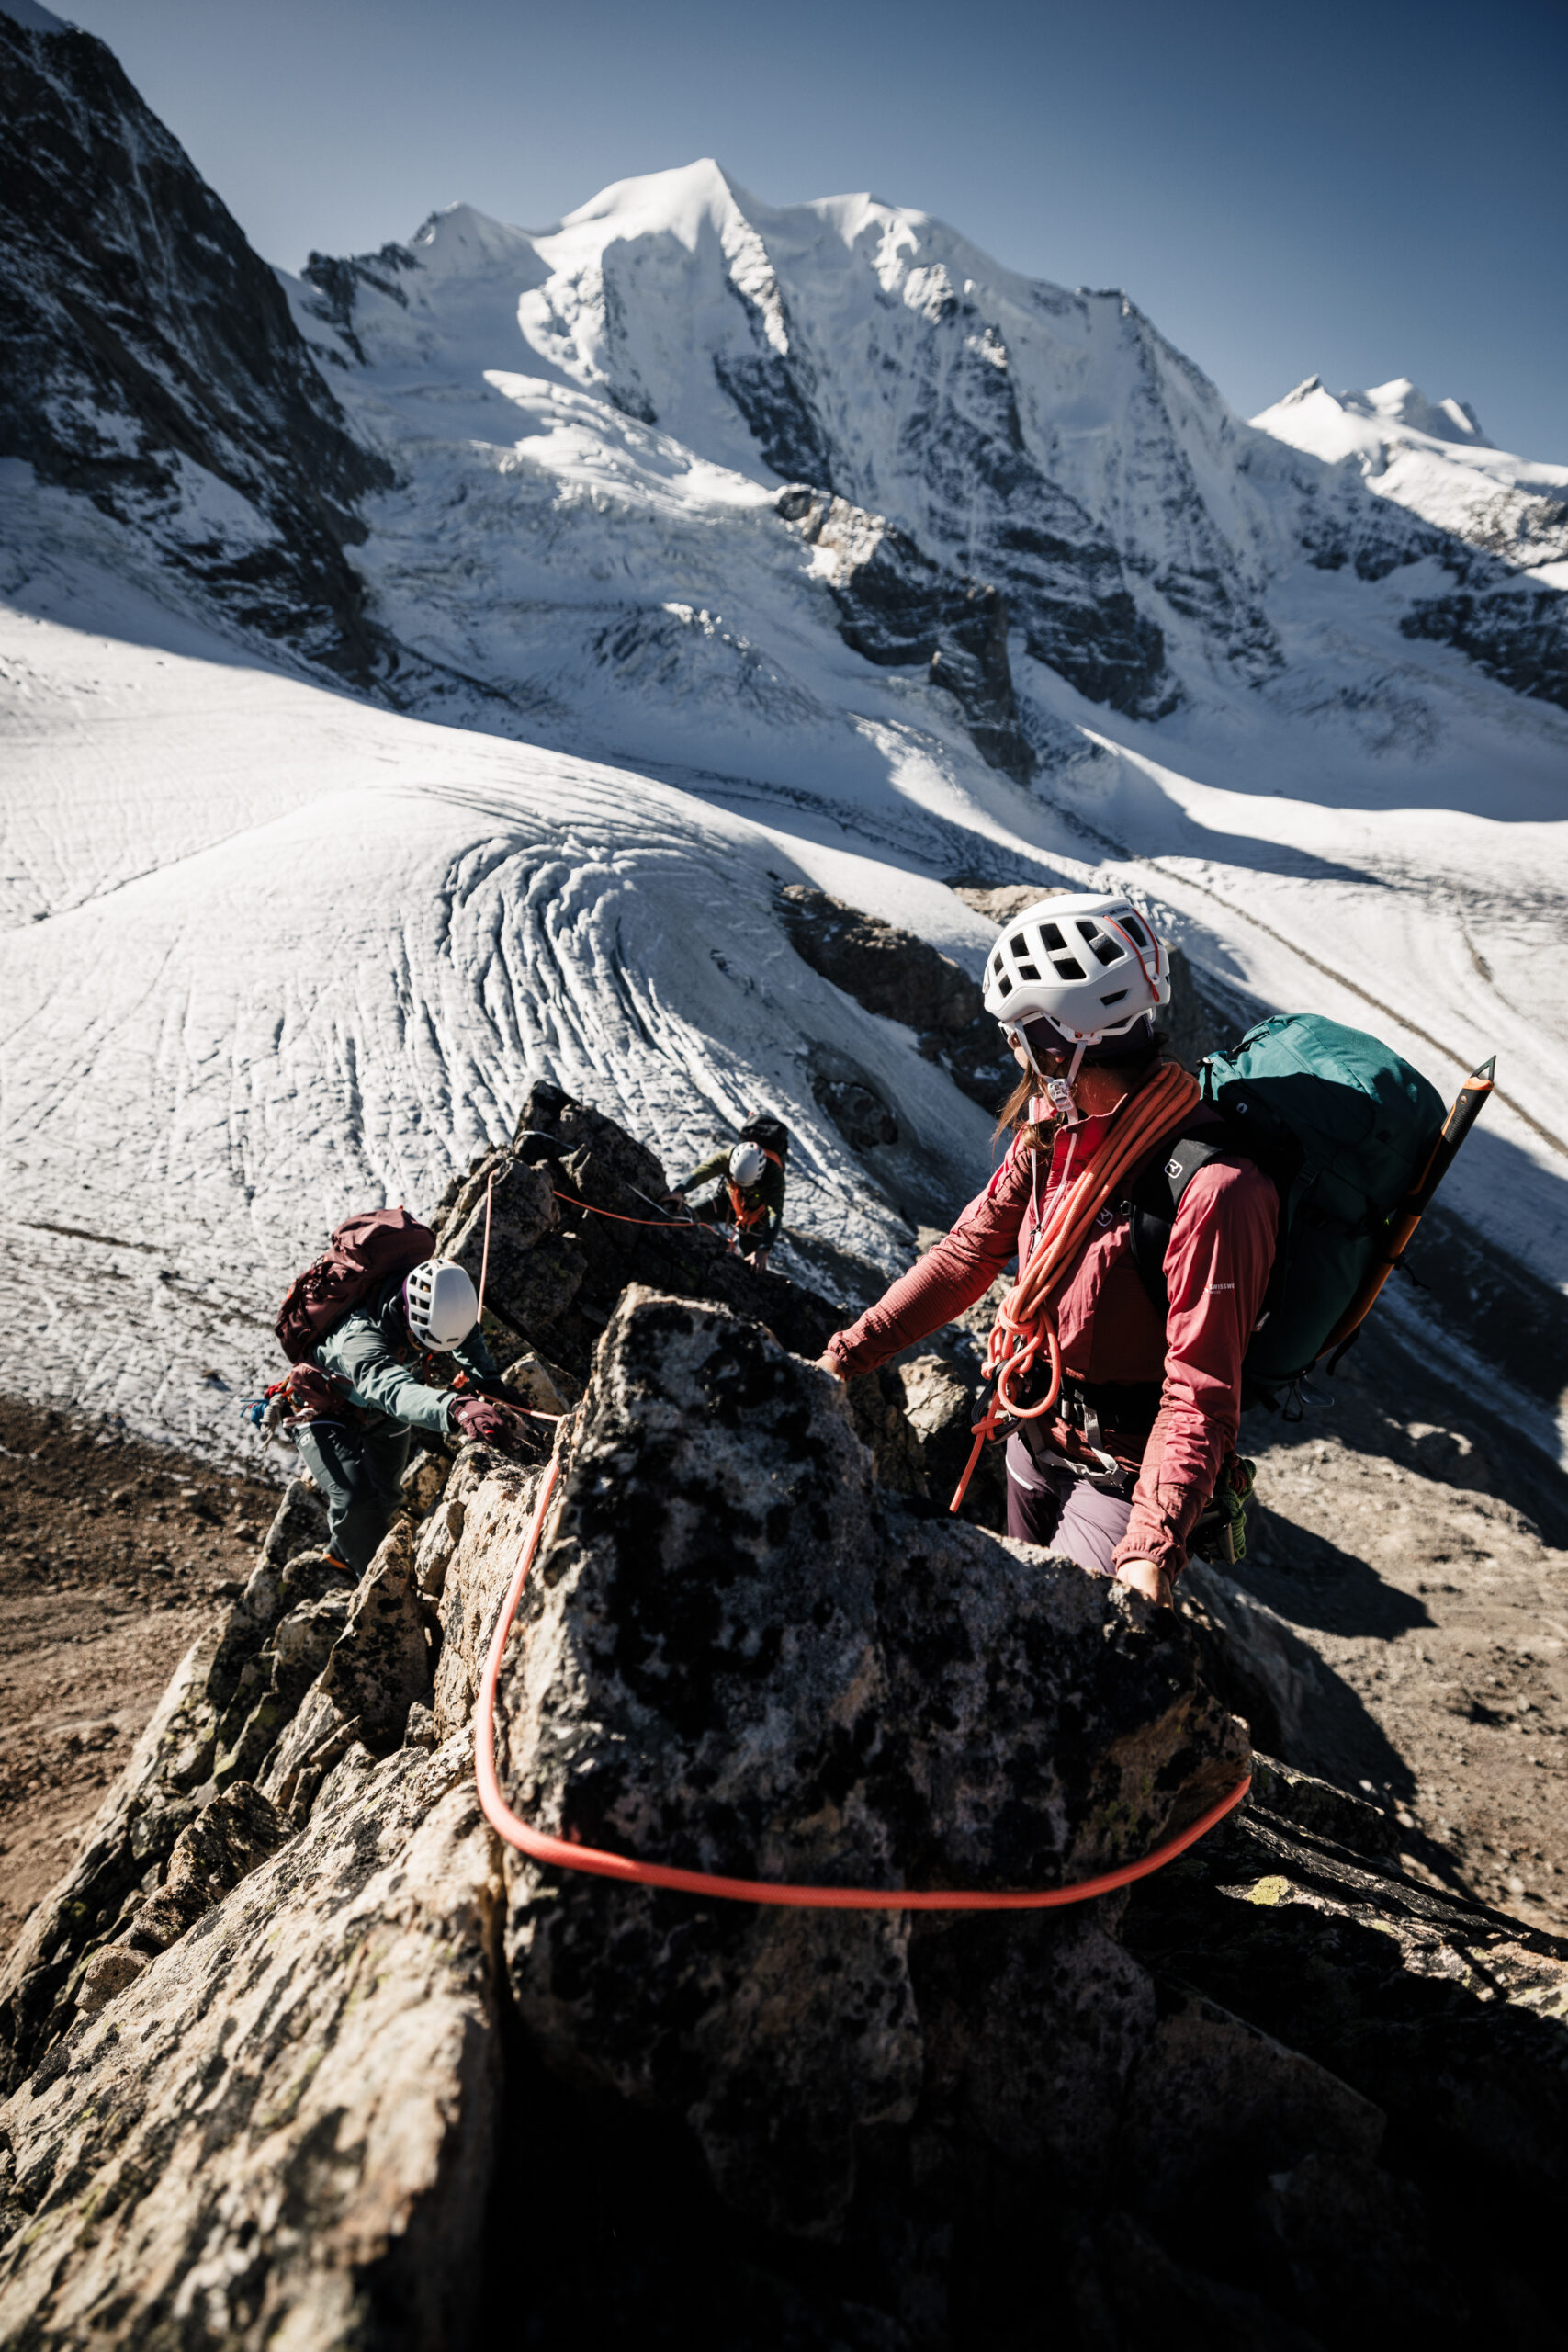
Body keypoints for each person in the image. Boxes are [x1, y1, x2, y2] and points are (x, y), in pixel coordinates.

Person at [816, 894, 1277, 1607]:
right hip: (1034, 1430)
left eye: (1019, 1034)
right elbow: (967, 1254)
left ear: (1059, 1041)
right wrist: (843, 1358)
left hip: (1121, 1468)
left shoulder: (1216, 1190)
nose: (1013, 1051)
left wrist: (1148, 1551)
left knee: (1044, 1634)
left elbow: (1199, 1392)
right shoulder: (1052, 1137)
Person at [291, 1256, 520, 1573]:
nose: (428, 1351)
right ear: (407, 1315)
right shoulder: (359, 1341)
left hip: (377, 1411)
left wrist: (489, 1381)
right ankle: (369, 1580)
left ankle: (346, 1549)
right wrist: (456, 1407)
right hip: (324, 1411)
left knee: (386, 1495)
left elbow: (465, 1336)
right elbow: (393, 1391)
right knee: (355, 1500)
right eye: (420, 1341)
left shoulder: (437, 1303)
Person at [676, 1118, 788, 1271]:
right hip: (728, 1202)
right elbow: (702, 1172)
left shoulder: (774, 1175)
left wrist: (763, 1249)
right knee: (685, 1216)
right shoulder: (727, 1157)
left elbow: (775, 1213)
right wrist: (679, 1191)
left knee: (751, 1265)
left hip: (756, 1221)